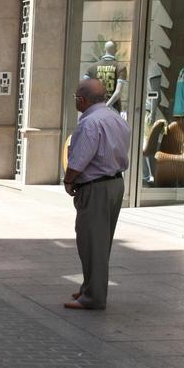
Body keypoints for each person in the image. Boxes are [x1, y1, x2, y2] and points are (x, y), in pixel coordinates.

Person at [63, 78, 131, 310]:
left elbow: (80, 158)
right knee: (101, 242)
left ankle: (93, 296)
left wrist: (69, 179)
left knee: (91, 242)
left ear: (81, 100)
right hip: (115, 184)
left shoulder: (89, 123)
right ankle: (89, 288)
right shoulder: (115, 118)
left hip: (96, 187)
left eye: (75, 98)